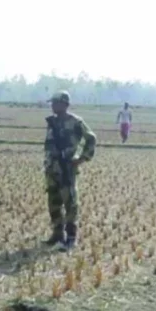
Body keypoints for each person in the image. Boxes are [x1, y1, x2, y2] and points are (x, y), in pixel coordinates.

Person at [44, 90, 97, 251]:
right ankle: (57, 234)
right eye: (52, 103)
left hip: (66, 169)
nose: (52, 106)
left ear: (64, 104)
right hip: (52, 169)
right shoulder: (52, 122)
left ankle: (71, 237)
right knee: (53, 202)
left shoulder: (75, 122)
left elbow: (91, 138)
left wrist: (82, 158)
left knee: (70, 203)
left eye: (55, 103)